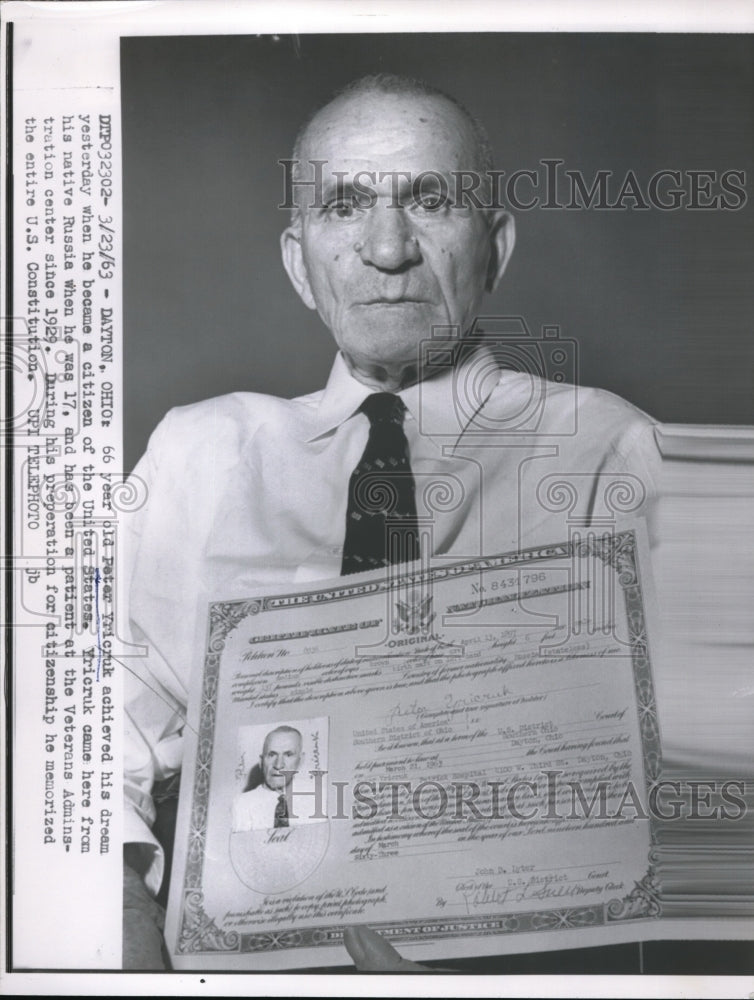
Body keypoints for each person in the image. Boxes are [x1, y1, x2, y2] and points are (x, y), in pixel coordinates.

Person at [123, 73, 661, 970]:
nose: (386, 248)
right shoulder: (199, 453)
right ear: (300, 263)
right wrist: (122, 936)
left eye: (430, 201)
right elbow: (89, 735)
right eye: (345, 206)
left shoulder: (610, 449)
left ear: (495, 246)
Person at [231, 726, 303, 831]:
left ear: (300, 761)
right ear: (261, 762)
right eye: (272, 755)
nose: (278, 765)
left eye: (288, 755)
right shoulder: (242, 805)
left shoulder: (316, 800)